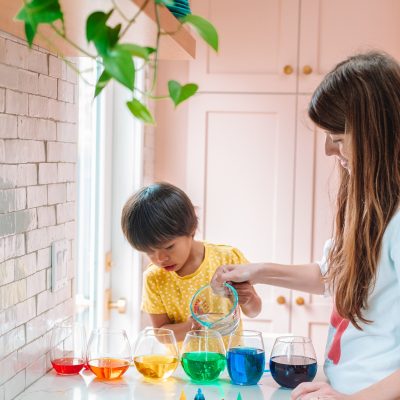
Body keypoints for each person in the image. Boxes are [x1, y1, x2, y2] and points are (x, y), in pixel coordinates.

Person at [211, 52, 400, 399]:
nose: (329, 149)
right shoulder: (376, 207)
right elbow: (334, 275)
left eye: (338, 137)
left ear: (376, 132)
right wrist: (257, 271)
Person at [121, 182, 262, 342]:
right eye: (149, 252)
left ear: (192, 228)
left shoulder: (227, 259)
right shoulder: (154, 277)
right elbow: (161, 334)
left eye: (169, 247)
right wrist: (192, 325)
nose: (160, 259)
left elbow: (253, 311)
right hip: (184, 365)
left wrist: (249, 299)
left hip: (229, 363)